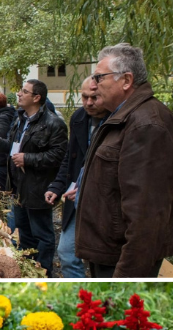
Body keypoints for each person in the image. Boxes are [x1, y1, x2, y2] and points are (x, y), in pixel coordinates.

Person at [74, 43, 173, 278]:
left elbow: (147, 218)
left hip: (121, 262)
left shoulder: (146, 125)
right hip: (109, 254)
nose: (93, 84)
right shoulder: (124, 116)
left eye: (99, 76)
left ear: (126, 80)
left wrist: (126, 278)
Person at [0, 79, 67, 273]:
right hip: (18, 187)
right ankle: (28, 270)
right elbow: (14, 148)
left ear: (36, 97)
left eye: (24, 92)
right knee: (23, 234)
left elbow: (59, 156)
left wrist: (28, 158)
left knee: (42, 235)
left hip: (38, 187)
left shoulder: (53, 123)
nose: (19, 94)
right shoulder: (21, 119)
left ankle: (44, 273)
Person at [47, 76, 108, 279]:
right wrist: (57, 186)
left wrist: (85, 187)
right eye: (84, 97)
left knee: (100, 260)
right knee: (66, 252)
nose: (89, 102)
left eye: (95, 97)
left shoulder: (116, 120)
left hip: (104, 203)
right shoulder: (79, 118)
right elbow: (70, 157)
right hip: (76, 200)